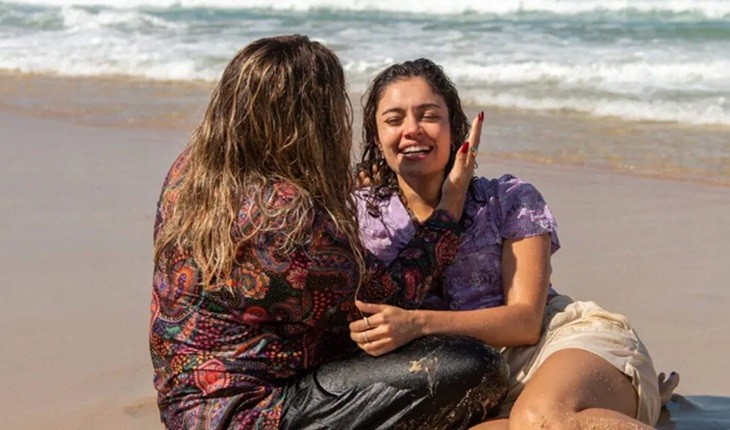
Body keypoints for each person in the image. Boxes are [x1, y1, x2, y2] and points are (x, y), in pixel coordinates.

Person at [149, 36, 508, 430]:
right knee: (475, 366)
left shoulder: (191, 173)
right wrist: (448, 210)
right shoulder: (292, 221)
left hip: (185, 403)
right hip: (256, 413)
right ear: (311, 117)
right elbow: (387, 300)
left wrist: (365, 175)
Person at [353, 58, 677, 429]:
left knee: (539, 416)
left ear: (456, 127)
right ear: (376, 137)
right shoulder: (361, 216)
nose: (412, 130)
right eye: (394, 120)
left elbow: (524, 322)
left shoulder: (508, 199)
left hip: (554, 346)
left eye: (428, 116)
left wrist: (418, 324)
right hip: (471, 383)